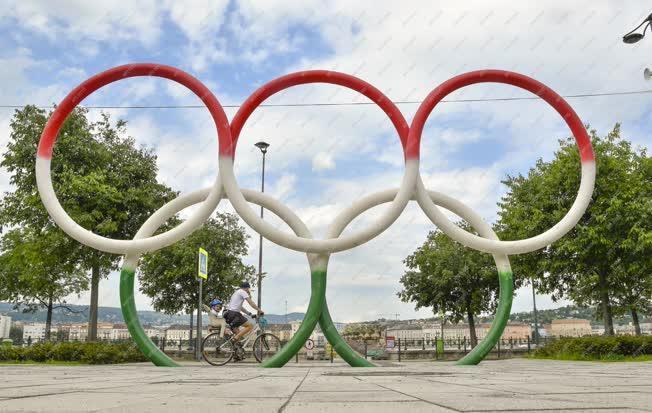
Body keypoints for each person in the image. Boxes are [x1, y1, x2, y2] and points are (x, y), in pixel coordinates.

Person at [223, 282, 264, 352]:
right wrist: (259, 310)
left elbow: (240, 307)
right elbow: (251, 303)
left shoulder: (236, 293)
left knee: (238, 336)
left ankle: (236, 355)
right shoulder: (243, 291)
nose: (249, 290)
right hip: (235, 314)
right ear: (247, 288)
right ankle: (233, 340)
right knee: (250, 326)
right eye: (248, 289)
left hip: (229, 314)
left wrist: (249, 314)